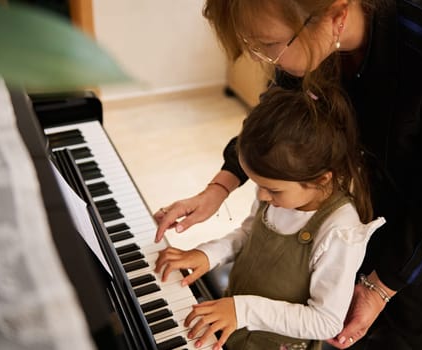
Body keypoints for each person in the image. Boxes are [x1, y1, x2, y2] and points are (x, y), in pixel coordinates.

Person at [154, 0, 422, 349]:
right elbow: (282, 106)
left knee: (402, 321)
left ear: (337, 16)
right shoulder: (311, 26)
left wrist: (380, 289)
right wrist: (221, 185)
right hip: (395, 157)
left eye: (269, 46)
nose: (268, 62)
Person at [154, 86, 385, 350]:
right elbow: (247, 234)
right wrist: (208, 255)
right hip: (236, 325)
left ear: (321, 179)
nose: (262, 196)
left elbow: (326, 321)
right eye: (257, 184)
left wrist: (243, 310)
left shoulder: (340, 231)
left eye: (272, 189)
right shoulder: (280, 195)